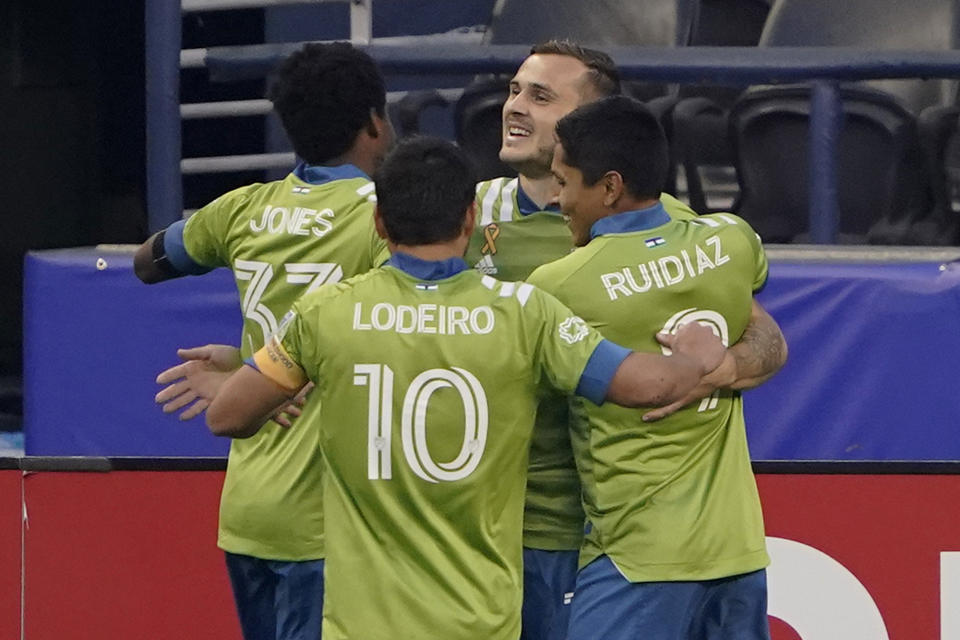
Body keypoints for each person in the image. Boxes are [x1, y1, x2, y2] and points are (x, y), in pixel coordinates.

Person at [195, 136, 727, 640]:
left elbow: (227, 416)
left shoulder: (324, 313)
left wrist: (266, 373)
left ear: (379, 222)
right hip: (480, 621)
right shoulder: (525, 313)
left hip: (361, 627)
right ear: (470, 219)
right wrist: (693, 357)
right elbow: (646, 386)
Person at [464, 39, 787, 640]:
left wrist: (711, 370)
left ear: (588, 125)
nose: (514, 108)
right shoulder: (461, 214)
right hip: (497, 522)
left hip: (591, 533)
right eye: (513, 90)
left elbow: (765, 337)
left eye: (540, 97)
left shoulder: (674, 231)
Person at [133, 42, 394, 640]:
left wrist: (247, 365)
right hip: (328, 522)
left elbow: (147, 262)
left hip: (249, 515)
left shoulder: (244, 209)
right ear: (375, 122)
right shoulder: (386, 219)